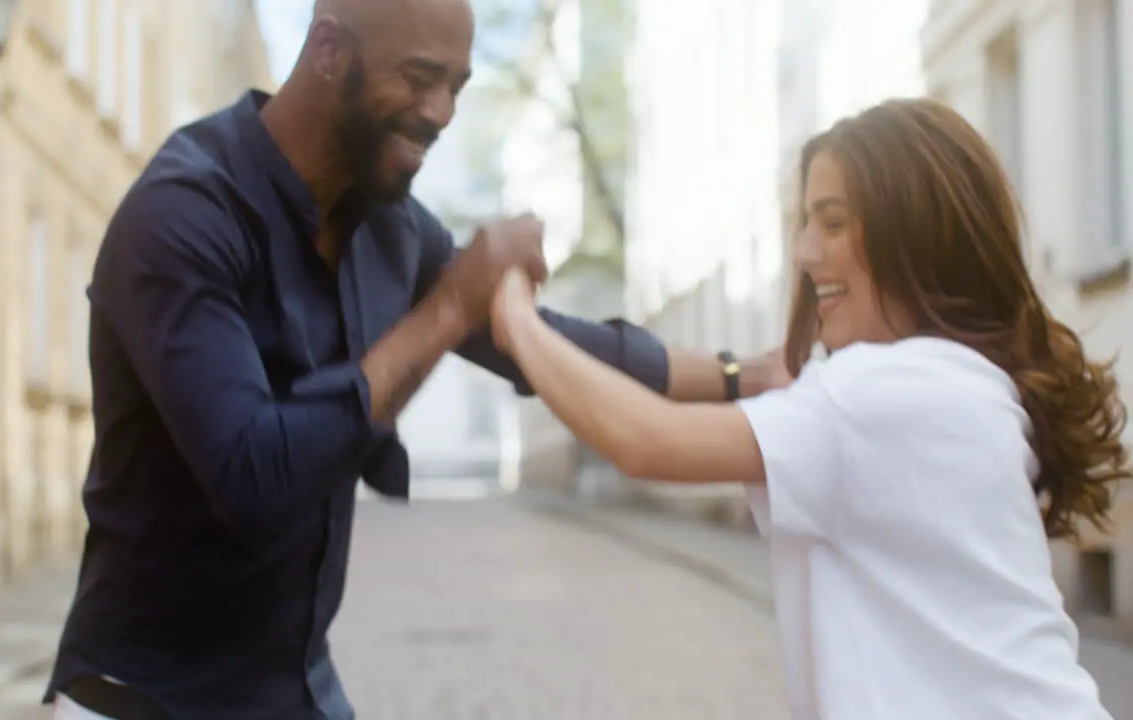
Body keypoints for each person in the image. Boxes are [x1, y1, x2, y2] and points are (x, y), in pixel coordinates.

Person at [43, 0, 783, 718]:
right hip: (145, 699)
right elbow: (253, 477)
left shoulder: (388, 225)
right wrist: (448, 309)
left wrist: (740, 378)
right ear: (329, 50)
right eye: (421, 76)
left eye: (457, 86)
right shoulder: (184, 214)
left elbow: (545, 345)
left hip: (292, 687)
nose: (441, 112)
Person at [489, 98, 1126, 720]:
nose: (803, 253)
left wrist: (512, 312)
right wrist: (746, 375)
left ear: (915, 232)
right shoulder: (960, 381)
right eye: (805, 223)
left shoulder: (888, 389)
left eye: (833, 222)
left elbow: (644, 441)